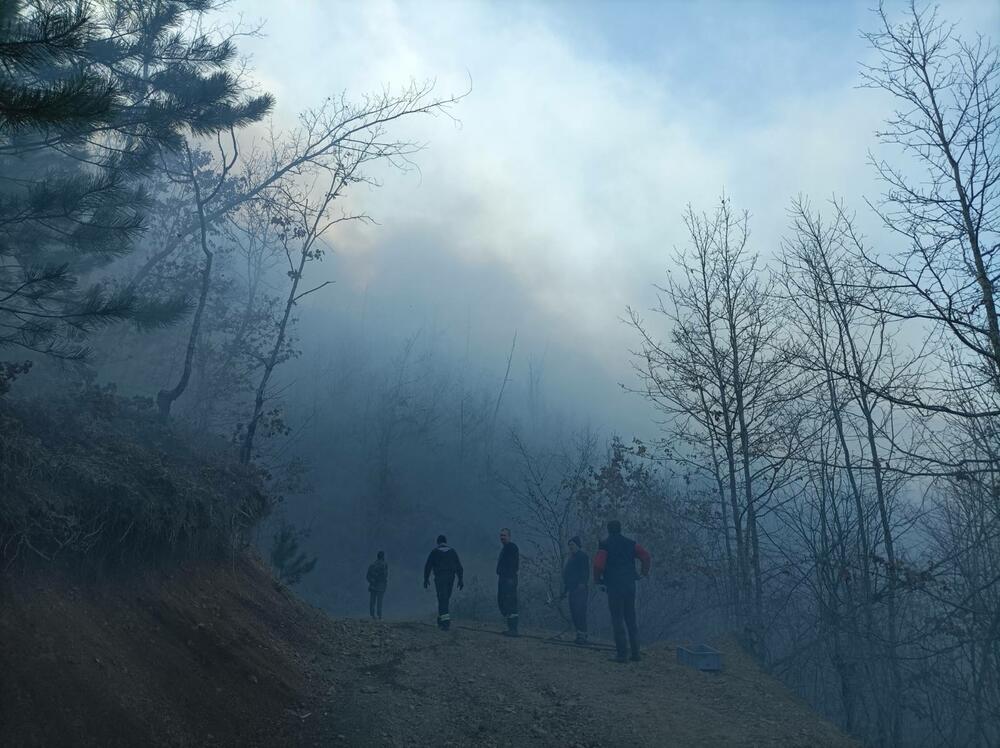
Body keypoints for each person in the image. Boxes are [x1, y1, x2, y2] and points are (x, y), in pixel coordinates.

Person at [593, 520, 651, 663]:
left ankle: (621, 654)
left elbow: (598, 565)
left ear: (608, 530)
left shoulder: (605, 545)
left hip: (614, 585)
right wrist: (643, 573)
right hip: (630, 584)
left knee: (617, 619)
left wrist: (597, 581)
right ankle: (636, 653)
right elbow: (646, 556)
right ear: (620, 529)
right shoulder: (631, 543)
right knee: (631, 618)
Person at [423, 535, 464, 631]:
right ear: (446, 542)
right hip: (451, 578)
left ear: (438, 542)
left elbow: (428, 566)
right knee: (446, 598)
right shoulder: (452, 551)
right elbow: (459, 567)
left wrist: (426, 579)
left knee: (442, 598)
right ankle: (443, 620)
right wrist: (460, 580)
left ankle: (445, 622)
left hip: (440, 578)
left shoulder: (434, 552)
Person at [561, 536, 589, 644]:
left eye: (572, 545)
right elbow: (568, 575)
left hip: (580, 589)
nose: (570, 547)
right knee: (574, 612)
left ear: (578, 545)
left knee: (580, 612)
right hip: (572, 589)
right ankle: (579, 634)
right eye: (569, 545)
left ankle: (583, 635)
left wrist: (582, 584)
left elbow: (585, 572)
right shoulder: (571, 558)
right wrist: (565, 590)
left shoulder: (582, 556)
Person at [496, 527, 520, 637]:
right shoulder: (505, 548)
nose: (502, 537)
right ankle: (511, 628)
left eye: (504, 535)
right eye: (501, 535)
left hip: (509, 579)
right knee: (503, 602)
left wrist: (509, 577)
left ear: (509, 536)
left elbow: (513, 564)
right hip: (504, 578)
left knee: (510, 603)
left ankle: (513, 629)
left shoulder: (511, 547)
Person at [366, 551, 388, 620]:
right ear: (383, 556)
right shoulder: (384, 565)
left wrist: (372, 580)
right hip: (381, 586)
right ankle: (379, 615)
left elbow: (367, 576)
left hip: (373, 585)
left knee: (372, 601)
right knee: (379, 601)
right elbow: (385, 575)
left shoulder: (372, 565)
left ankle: (372, 615)